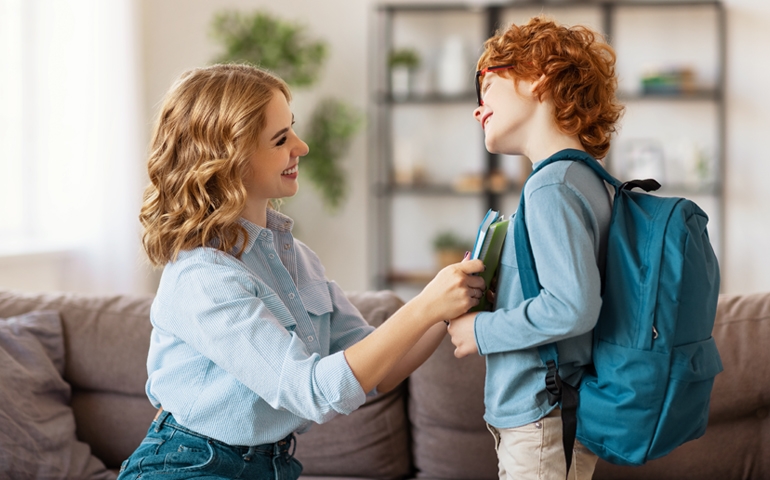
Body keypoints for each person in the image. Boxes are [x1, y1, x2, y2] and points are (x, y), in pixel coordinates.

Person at [117, 63, 486, 480]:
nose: (302, 146)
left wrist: (448, 305)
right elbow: (313, 393)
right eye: (280, 139)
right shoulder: (203, 278)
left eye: (292, 129)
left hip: (272, 466)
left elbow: (377, 373)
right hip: (189, 465)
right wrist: (424, 306)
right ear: (231, 158)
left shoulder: (297, 258)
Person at [446, 16, 624, 480]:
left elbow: (572, 307)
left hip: (542, 414)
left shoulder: (550, 186)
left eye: (486, 86)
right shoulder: (586, 179)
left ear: (538, 76)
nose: (477, 109)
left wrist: (479, 331)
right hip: (556, 410)